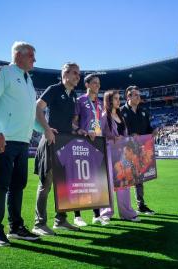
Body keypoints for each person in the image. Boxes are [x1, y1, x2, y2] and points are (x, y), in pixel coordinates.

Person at [0, 41, 42, 247]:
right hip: (5, 139)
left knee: (18, 185)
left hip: (23, 141)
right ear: (19, 55)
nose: (34, 60)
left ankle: (15, 227)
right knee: (0, 185)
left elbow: (30, 114)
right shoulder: (4, 72)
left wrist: (46, 130)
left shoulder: (28, 80)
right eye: (31, 56)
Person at [32, 62, 81, 235]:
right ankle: (39, 224)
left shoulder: (73, 95)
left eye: (79, 74)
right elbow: (37, 108)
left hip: (66, 143)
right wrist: (46, 129)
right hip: (51, 141)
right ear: (65, 74)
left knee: (64, 185)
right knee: (46, 184)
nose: (78, 77)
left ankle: (60, 220)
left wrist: (77, 129)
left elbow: (68, 121)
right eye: (75, 73)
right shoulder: (53, 89)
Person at [70, 73, 109, 226]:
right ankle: (77, 216)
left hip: (97, 144)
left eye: (98, 83)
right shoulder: (80, 101)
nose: (97, 86)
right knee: (79, 179)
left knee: (96, 179)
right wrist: (83, 131)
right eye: (94, 83)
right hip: (81, 143)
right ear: (86, 85)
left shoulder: (100, 103)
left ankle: (96, 214)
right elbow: (72, 123)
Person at [101, 90, 140, 222]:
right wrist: (112, 137)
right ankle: (106, 214)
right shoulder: (104, 116)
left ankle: (127, 213)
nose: (119, 101)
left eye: (119, 98)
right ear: (109, 100)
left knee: (124, 182)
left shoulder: (120, 116)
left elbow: (124, 133)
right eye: (116, 98)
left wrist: (129, 138)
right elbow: (99, 134)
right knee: (109, 184)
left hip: (123, 154)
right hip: (109, 153)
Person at [120, 86, 157, 215]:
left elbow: (148, 128)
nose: (138, 97)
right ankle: (124, 208)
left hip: (140, 149)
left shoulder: (144, 111)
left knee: (139, 179)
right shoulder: (121, 111)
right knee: (124, 179)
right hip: (125, 150)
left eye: (139, 95)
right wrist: (129, 135)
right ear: (128, 96)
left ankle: (140, 205)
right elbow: (118, 131)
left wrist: (153, 132)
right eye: (135, 95)